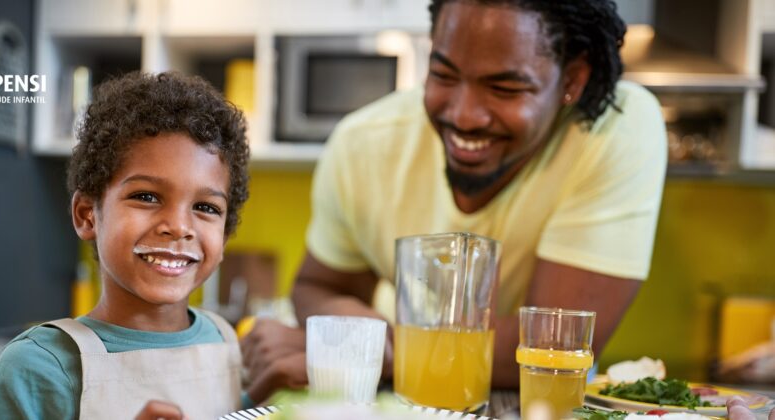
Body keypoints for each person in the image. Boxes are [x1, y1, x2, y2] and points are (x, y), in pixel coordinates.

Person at [241, 0, 668, 399]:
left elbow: (550, 346)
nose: (464, 115)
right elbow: (320, 285)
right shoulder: (362, 144)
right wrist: (358, 329)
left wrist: (378, 348)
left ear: (572, 79)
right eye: (443, 75)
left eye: (504, 88)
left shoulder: (615, 129)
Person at [0, 72, 252, 420]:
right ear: (87, 215)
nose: (179, 227)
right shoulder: (40, 368)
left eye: (206, 208)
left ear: (225, 235)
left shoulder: (223, 340)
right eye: (146, 196)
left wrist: (265, 397)